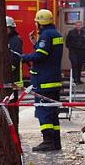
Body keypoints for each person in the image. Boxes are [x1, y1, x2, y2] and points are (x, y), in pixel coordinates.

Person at [22, 9, 64, 151]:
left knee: (43, 111)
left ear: (40, 22)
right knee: (53, 113)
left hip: (44, 80)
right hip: (53, 80)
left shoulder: (46, 35)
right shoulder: (55, 33)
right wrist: (35, 43)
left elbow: (41, 56)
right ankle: (56, 142)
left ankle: (47, 142)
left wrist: (23, 58)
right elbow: (49, 53)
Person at [6, 16, 24, 131]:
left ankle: (14, 128)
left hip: (14, 78)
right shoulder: (5, 39)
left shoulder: (16, 40)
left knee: (12, 105)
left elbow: (15, 59)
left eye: (7, 28)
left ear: (12, 28)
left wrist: (7, 71)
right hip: (6, 79)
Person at [65, 20, 85, 85]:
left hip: (82, 51)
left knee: (80, 65)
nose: (79, 26)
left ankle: (79, 79)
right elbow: (67, 41)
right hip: (73, 51)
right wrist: (70, 48)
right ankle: (75, 79)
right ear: (75, 25)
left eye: (80, 25)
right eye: (77, 25)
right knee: (74, 64)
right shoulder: (71, 32)